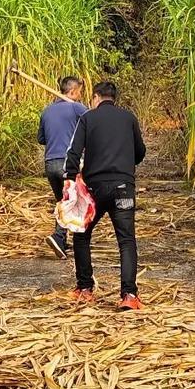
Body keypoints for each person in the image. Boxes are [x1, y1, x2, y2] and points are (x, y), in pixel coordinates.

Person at [64, 80, 147, 309]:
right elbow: (140, 151)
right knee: (126, 240)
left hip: (95, 189)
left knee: (81, 234)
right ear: (114, 98)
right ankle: (129, 295)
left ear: (96, 97)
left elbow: (72, 153)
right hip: (123, 188)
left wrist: (70, 179)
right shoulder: (129, 118)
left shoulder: (88, 118)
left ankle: (85, 288)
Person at [38, 76, 87, 258]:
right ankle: (59, 237)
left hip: (50, 163)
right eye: (79, 92)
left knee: (63, 201)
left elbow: (41, 139)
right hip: (68, 163)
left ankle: (63, 239)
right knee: (74, 201)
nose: (80, 96)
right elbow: (93, 121)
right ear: (73, 91)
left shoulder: (47, 111)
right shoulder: (76, 108)